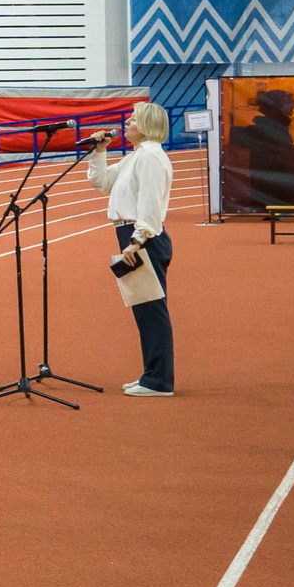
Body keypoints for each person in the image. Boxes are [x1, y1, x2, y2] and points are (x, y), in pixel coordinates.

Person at [89, 104, 177, 396]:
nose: (126, 122)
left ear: (148, 125)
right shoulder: (137, 156)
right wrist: (99, 151)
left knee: (152, 311)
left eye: (134, 119)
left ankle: (159, 381)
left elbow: (151, 204)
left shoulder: (151, 157)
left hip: (143, 236)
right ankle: (151, 374)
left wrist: (137, 240)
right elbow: (101, 182)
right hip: (133, 233)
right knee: (144, 310)